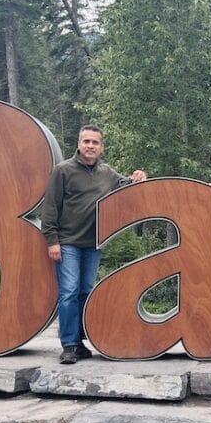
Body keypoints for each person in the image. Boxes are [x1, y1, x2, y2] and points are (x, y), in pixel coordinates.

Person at [41, 125, 147, 364]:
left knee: (85, 293)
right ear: (79, 144)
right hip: (67, 242)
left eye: (95, 142)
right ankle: (68, 345)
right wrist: (52, 241)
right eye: (86, 141)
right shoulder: (63, 171)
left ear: (101, 147)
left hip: (93, 245)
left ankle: (79, 342)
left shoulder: (106, 172)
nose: (90, 146)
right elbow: (50, 208)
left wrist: (138, 178)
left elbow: (125, 186)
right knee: (69, 291)